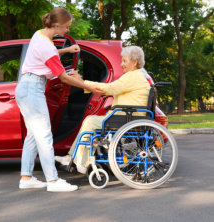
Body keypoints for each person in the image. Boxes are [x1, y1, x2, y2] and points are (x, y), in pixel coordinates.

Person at [15, 8, 104, 192]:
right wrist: (87, 86)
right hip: (32, 89)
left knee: (33, 136)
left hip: (27, 87)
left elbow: (49, 54)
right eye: (67, 27)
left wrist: (67, 50)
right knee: (45, 136)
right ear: (56, 25)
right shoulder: (47, 46)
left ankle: (26, 178)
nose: (68, 30)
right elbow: (63, 77)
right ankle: (53, 181)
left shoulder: (39, 35)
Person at [55, 46, 151, 174]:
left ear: (134, 62)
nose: (121, 65)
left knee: (90, 122)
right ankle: (74, 158)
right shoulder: (136, 76)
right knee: (92, 121)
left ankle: (79, 161)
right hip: (128, 116)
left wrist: (82, 82)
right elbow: (120, 91)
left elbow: (110, 87)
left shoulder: (132, 76)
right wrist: (110, 93)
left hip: (126, 118)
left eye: (124, 61)